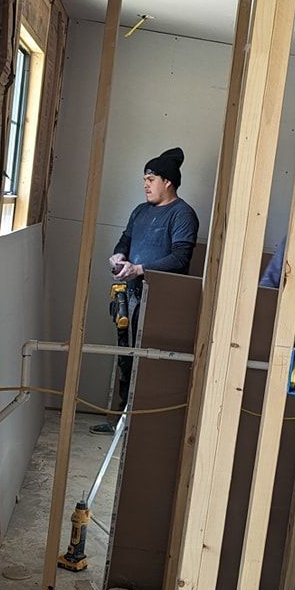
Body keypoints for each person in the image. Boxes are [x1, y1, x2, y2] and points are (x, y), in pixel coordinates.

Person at [91, 147, 199, 434]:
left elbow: (180, 258)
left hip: (159, 301)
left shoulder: (182, 215)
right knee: (125, 356)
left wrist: (140, 269)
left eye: (151, 179)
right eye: (144, 179)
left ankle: (141, 426)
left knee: (148, 362)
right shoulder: (141, 211)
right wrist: (118, 256)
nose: (146, 184)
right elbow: (124, 241)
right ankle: (120, 420)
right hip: (128, 297)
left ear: (168, 182)